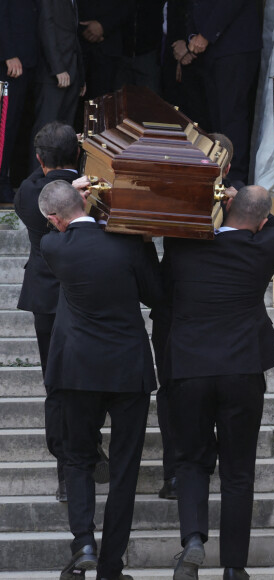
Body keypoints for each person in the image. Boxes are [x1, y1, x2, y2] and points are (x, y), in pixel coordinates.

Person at [165, 185, 274, 580]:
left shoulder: (182, 244)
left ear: (228, 206)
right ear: (260, 221)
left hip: (188, 368)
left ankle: (193, 540)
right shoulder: (264, 248)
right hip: (242, 369)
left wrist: (209, 200)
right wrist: (244, 206)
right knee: (239, 471)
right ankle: (234, 566)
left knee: (190, 461)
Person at [38, 180, 162, 580]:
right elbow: (155, 294)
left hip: (78, 370)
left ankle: (84, 543)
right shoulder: (128, 243)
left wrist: (74, 194)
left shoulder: (54, 247)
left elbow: (55, 222)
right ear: (86, 201)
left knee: (77, 459)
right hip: (128, 368)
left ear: (55, 220)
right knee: (125, 470)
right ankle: (112, 565)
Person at [14, 121, 108, 502]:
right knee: (93, 379)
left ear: (39, 159)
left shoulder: (26, 192)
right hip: (92, 293)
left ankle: (69, 470)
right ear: (77, 154)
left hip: (48, 297)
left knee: (58, 384)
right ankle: (86, 448)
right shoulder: (97, 188)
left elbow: (44, 184)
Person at [151, 131, 236, 501]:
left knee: (181, 393)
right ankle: (180, 470)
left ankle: (186, 469)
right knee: (173, 392)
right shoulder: (174, 195)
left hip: (190, 312)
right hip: (182, 312)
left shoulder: (237, 204)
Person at [184, 0, 262, 188]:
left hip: (233, 46)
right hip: (213, 49)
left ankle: (235, 182)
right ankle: (222, 177)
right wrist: (193, 36)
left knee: (232, 117)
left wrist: (206, 35)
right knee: (217, 118)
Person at [31, 0, 85, 171]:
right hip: (52, 74)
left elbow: (73, 37)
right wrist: (58, 68)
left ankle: (60, 181)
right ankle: (37, 184)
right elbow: (46, 29)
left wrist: (81, 76)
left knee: (65, 134)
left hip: (72, 72)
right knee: (45, 133)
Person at [0, 0, 38, 203]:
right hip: (10, 65)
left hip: (29, 62)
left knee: (15, 128)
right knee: (4, 128)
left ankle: (7, 181)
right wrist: (9, 54)